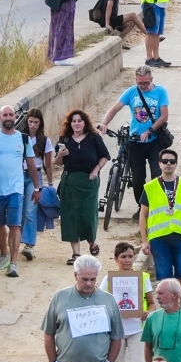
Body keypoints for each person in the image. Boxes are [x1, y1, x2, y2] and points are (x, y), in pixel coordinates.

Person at [0, 105, 42, 278]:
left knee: (14, 225)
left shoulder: (23, 139)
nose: (9, 117)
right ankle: (3, 254)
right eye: (5, 115)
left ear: (15, 116)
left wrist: (36, 187)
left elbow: (31, 165)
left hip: (15, 190)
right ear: (0, 117)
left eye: (11, 114)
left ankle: (13, 263)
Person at [138, 148, 181, 293]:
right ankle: (168, 307)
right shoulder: (150, 187)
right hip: (159, 239)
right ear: (159, 164)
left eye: (172, 161)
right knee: (164, 280)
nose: (168, 164)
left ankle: (177, 304)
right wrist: (144, 241)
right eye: (165, 161)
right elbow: (143, 215)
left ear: (176, 164)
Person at [99, 66, 170, 207]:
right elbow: (114, 109)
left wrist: (149, 130)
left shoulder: (160, 92)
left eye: (146, 83)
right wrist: (104, 123)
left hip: (153, 140)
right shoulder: (131, 92)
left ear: (151, 79)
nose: (143, 86)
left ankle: (157, 205)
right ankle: (142, 207)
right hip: (135, 141)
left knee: (156, 175)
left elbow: (164, 116)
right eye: (140, 83)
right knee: (137, 178)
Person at [105, 243, 155, 362]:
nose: (127, 260)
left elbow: (151, 302)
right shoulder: (108, 280)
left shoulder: (142, 277)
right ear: (116, 258)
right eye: (123, 256)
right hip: (117, 333)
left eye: (130, 256)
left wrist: (148, 312)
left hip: (136, 331)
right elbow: (102, 304)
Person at [51, 109, 108, 264]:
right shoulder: (65, 140)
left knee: (87, 214)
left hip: (89, 181)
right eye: (74, 121)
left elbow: (104, 156)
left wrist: (96, 170)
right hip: (70, 181)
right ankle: (76, 254)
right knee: (70, 216)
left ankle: (91, 241)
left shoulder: (93, 138)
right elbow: (57, 164)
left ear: (85, 123)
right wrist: (60, 156)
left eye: (79, 121)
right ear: (70, 124)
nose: (76, 124)